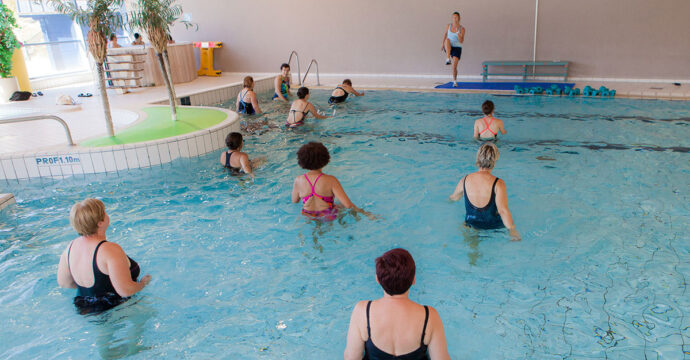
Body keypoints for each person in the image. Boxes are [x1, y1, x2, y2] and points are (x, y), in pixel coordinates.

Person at [344, 248, 450, 360]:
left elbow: (352, 357)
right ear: (413, 280)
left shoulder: (363, 311)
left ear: (377, 280)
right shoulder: (430, 316)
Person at [57, 199, 151, 314]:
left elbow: (64, 283)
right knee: (149, 315)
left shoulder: (70, 247)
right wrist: (143, 283)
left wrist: (95, 292)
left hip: (84, 307)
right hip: (115, 307)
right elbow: (125, 291)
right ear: (100, 223)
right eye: (105, 212)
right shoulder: (110, 250)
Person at [449, 143, 520, 240]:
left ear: (478, 157)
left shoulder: (465, 180)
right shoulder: (498, 183)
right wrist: (512, 230)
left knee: (472, 247)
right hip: (493, 227)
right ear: (495, 159)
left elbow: (454, 198)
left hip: (472, 225)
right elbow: (502, 210)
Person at [291, 142, 374, 220]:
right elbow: (348, 205)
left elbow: (295, 201)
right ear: (325, 159)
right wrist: (366, 213)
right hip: (327, 215)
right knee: (341, 205)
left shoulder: (298, 180)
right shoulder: (331, 180)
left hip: (307, 215)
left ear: (302, 161)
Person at [441, 12, 465, 87]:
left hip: (457, 48)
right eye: (453, 17)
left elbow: (461, 41)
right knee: (447, 40)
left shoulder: (462, 29)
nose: (454, 19)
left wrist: (458, 32)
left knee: (454, 66)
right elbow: (445, 34)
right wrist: (442, 44)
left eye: (456, 17)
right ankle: (448, 58)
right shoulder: (448, 26)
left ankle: (455, 81)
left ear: (459, 18)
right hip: (449, 46)